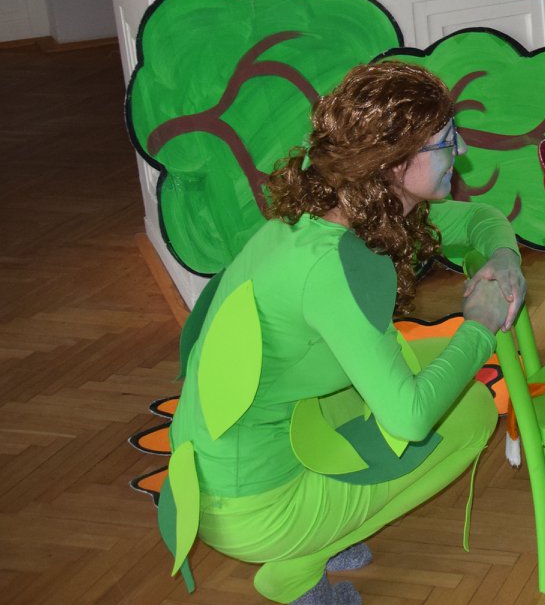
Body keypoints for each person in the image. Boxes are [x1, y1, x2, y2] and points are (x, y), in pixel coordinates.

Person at [165, 63, 526, 604]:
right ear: (396, 163)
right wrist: (480, 325)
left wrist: (504, 256)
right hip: (254, 507)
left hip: (218, 472)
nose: (463, 149)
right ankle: (300, 566)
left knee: (424, 364)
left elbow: (481, 219)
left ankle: (321, 529)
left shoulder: (336, 212)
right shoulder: (334, 266)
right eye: (447, 140)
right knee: (472, 410)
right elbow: (410, 417)